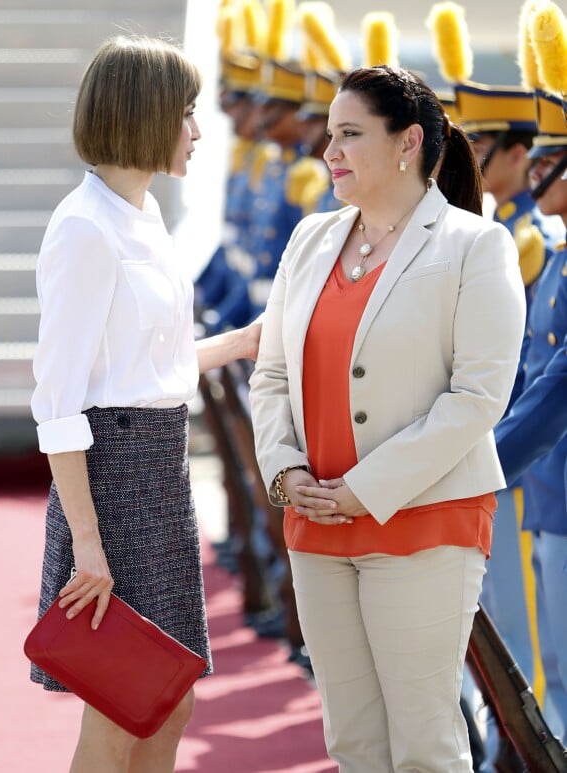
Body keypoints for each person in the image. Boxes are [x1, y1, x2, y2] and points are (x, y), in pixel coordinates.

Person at [248, 65, 526, 772]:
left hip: (423, 522)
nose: (329, 151)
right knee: (354, 743)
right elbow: (272, 374)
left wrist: (364, 488)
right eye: (330, 135)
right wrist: (284, 471)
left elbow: (478, 397)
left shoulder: (474, 244)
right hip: (315, 524)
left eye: (350, 135)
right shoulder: (310, 240)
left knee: (425, 745)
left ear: (407, 143)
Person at [29, 35, 260, 773]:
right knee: (122, 703)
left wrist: (248, 339)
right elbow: (60, 400)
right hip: (112, 480)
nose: (197, 130)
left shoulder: (143, 213)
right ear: (145, 113)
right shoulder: (84, 226)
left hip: (158, 470)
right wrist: (88, 542)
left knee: (168, 695)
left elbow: (147, 368)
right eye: (187, 112)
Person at [494, 86, 567, 747]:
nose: (538, 172)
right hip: (546, 491)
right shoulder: (556, 258)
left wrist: (485, 460)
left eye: (554, 160)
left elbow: (555, 386)